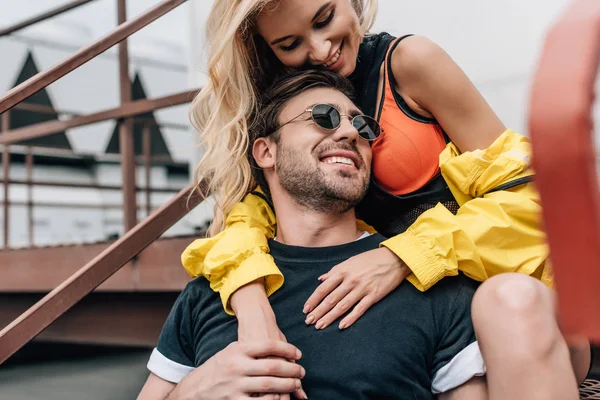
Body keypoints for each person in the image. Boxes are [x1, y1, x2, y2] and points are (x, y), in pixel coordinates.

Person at [180, 0, 591, 387]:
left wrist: (403, 255)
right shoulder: (282, 113)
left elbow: (528, 194)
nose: (321, 49)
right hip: (415, 322)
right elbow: (247, 219)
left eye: (324, 19)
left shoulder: (411, 62)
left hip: (515, 314)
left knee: (507, 299)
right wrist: (250, 303)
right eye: (290, 44)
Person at [138, 70, 487, 400]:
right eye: (323, 116)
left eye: (363, 127)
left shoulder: (435, 285)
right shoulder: (210, 291)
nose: (351, 133)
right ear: (266, 151)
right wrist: (192, 392)